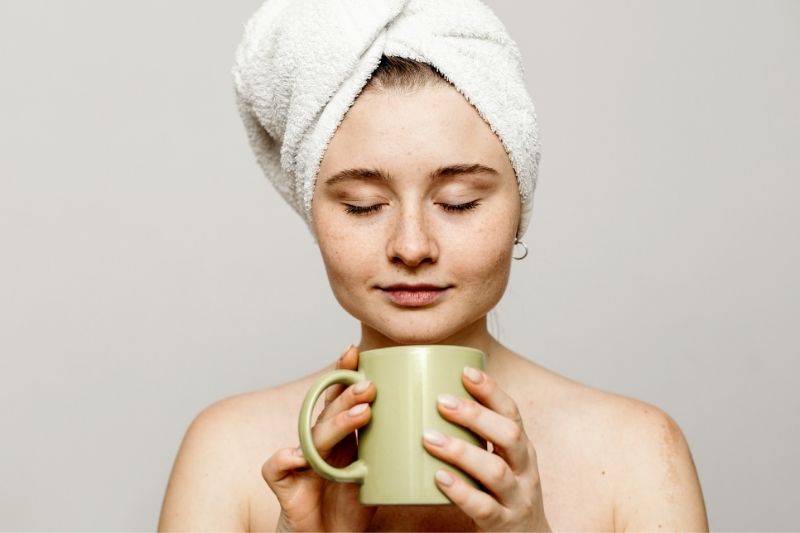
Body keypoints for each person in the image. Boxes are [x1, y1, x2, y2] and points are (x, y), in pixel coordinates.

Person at [158, 1, 708, 531]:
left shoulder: (638, 453)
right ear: (313, 214)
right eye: (363, 206)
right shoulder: (226, 453)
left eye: (460, 201)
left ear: (520, 208)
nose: (412, 246)